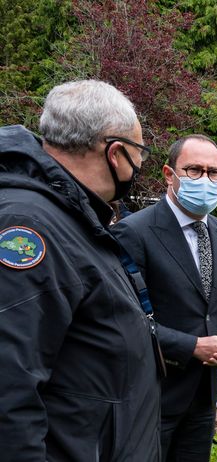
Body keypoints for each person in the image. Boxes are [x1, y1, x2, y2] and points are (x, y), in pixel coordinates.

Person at [0, 80, 160, 461]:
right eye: (140, 153)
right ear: (117, 153)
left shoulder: (73, 217)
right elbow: (10, 391)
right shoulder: (29, 226)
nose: (139, 167)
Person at [112, 134, 217, 461]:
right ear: (168, 174)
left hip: (205, 394)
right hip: (153, 393)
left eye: (213, 172)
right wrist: (193, 347)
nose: (205, 179)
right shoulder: (134, 232)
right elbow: (124, 317)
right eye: (193, 170)